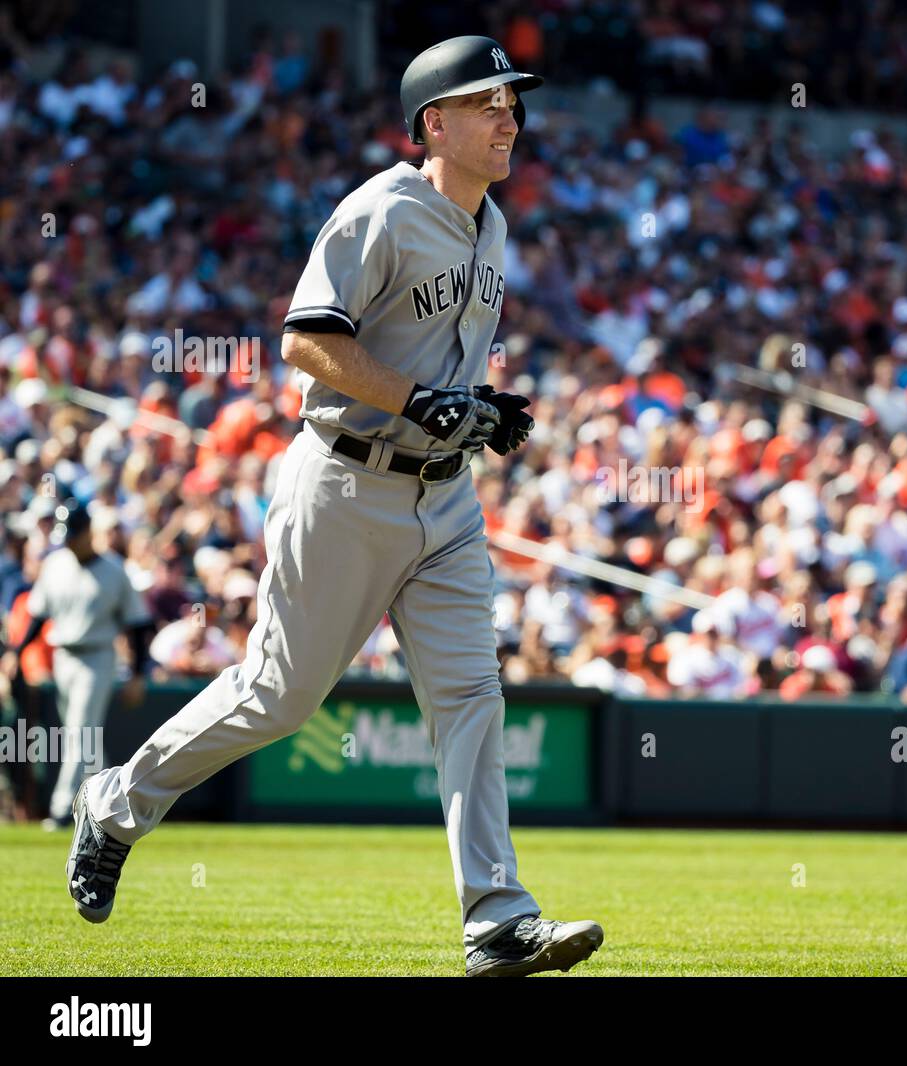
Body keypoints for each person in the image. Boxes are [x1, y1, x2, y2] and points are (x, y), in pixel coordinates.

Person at [65, 36, 603, 977]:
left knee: (473, 697)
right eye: (488, 102)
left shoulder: (494, 227)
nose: (509, 116)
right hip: (347, 485)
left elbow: (438, 366)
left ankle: (497, 918)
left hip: (446, 499)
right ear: (434, 122)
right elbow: (307, 341)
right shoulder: (381, 209)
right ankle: (115, 803)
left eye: (513, 103)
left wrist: (475, 410)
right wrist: (415, 399)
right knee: (280, 696)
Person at [0, 500, 152, 830]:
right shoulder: (55, 564)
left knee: (81, 732)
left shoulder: (113, 569)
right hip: (63, 656)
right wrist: (16, 650)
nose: (69, 540)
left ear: (87, 532)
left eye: (74, 534)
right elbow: (38, 616)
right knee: (83, 737)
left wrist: (139, 673)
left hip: (98, 655)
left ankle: (60, 810)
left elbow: (139, 625)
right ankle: (117, 801)